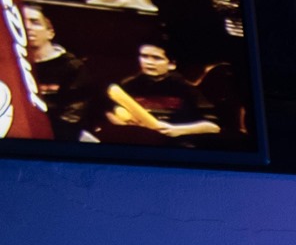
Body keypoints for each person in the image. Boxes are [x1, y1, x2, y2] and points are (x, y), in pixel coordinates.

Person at [97, 41, 219, 145]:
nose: (149, 62)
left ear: (171, 64)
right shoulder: (128, 85)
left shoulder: (185, 88)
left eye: (157, 58)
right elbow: (107, 112)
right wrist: (122, 124)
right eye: (144, 56)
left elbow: (214, 127)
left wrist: (177, 130)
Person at [23, 7, 91, 142]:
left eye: (35, 22)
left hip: (61, 138)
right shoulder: (10, 63)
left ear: (50, 32)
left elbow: (74, 115)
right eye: (23, 22)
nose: (28, 27)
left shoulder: (72, 67)